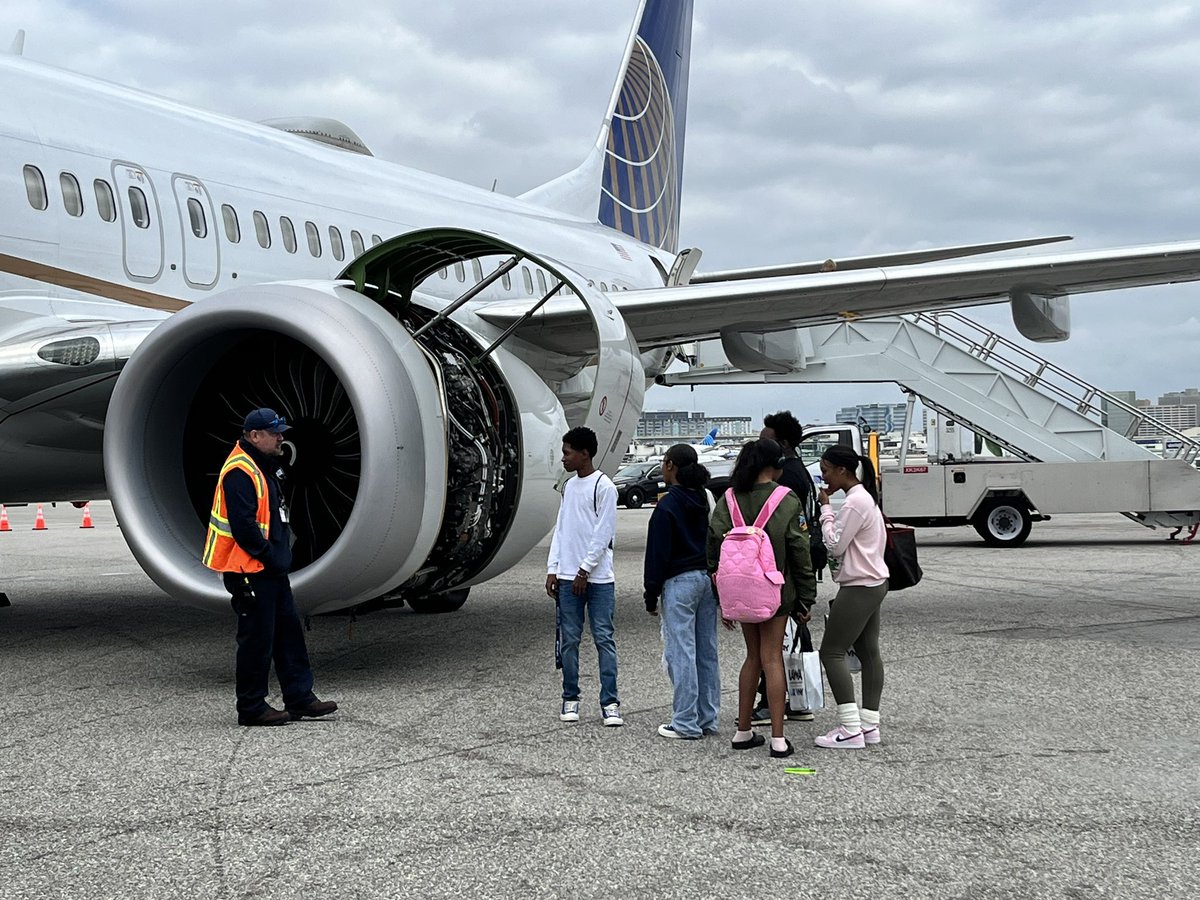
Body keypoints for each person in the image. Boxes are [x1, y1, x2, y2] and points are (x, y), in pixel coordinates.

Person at [203, 407, 338, 727]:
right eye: (275, 432)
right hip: (249, 570)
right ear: (254, 436)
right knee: (256, 640)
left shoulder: (264, 465)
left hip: (269, 569)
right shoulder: (239, 471)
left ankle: (299, 696)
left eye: (281, 431)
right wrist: (269, 555)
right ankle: (251, 707)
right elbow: (243, 526)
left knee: (288, 634)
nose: (281, 437)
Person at [708, 438, 816, 758]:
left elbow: (714, 546)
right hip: (776, 591)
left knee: (752, 656)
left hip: (740, 590)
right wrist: (806, 597)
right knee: (772, 658)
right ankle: (779, 739)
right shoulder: (786, 499)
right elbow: (800, 551)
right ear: (775, 465)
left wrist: (721, 595)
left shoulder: (728, 498)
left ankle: (743, 731)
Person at [545, 426, 623, 726]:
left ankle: (610, 702)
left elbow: (603, 534)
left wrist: (584, 570)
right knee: (570, 640)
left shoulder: (604, 487)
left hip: (598, 579)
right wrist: (554, 568)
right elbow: (562, 530)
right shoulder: (569, 487)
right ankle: (570, 697)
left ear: (584, 453)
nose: (563, 459)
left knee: (604, 638)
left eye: (567, 453)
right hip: (567, 576)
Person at [752, 410, 825, 726]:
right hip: (794, 567)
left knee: (780, 640)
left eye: (764, 439)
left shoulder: (788, 478)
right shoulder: (798, 470)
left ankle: (773, 702)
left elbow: (788, 531)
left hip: (787, 570)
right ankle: (798, 698)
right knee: (792, 637)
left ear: (781, 443)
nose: (759, 444)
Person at [814, 443, 889, 749]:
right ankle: (869, 725)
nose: (824, 478)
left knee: (831, 652)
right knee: (869, 652)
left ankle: (850, 729)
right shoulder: (865, 499)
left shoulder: (854, 502)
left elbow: (835, 545)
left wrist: (825, 510)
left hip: (859, 584)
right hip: (874, 581)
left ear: (842, 470)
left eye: (826, 471)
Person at [643, 444, 720, 740]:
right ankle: (707, 716)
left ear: (671, 465)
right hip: (705, 579)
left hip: (680, 582)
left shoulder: (668, 505)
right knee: (706, 651)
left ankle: (685, 721)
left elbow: (657, 555)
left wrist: (651, 594)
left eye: (664, 463)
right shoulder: (704, 498)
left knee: (681, 652)